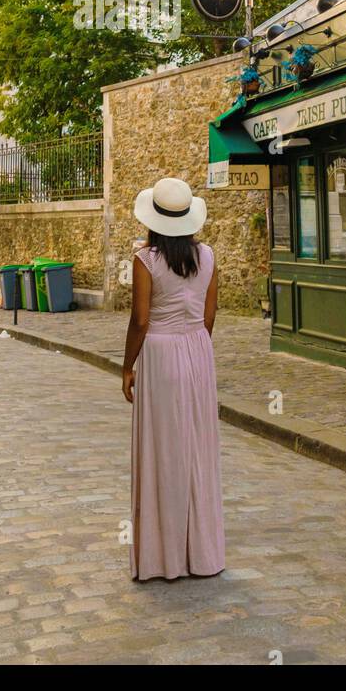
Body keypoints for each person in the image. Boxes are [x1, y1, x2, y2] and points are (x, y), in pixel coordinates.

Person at [122, 176, 226, 582]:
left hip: (160, 353)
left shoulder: (146, 260)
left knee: (162, 450)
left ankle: (162, 557)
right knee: (198, 449)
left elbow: (141, 319)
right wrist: (195, 349)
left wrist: (127, 365)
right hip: (198, 349)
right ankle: (200, 553)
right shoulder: (209, 257)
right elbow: (210, 316)